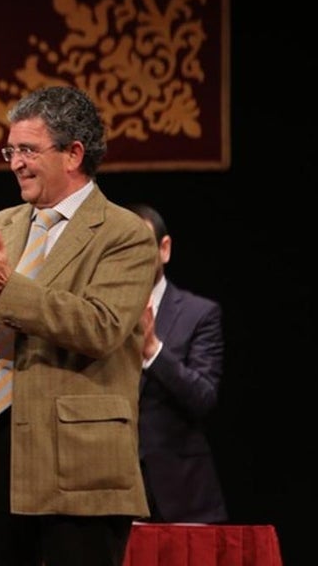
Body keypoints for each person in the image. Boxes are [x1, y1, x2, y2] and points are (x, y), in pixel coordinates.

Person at [0, 85, 159, 566]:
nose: (16, 163)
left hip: (79, 463)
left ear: (73, 153)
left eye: (29, 150)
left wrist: (6, 289)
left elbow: (101, 327)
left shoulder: (123, 235)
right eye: (10, 151)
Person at [126, 202, 227, 523]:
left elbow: (203, 397)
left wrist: (153, 350)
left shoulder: (199, 314)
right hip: (114, 491)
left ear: (164, 249)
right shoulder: (95, 313)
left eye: (141, 246)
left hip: (182, 492)